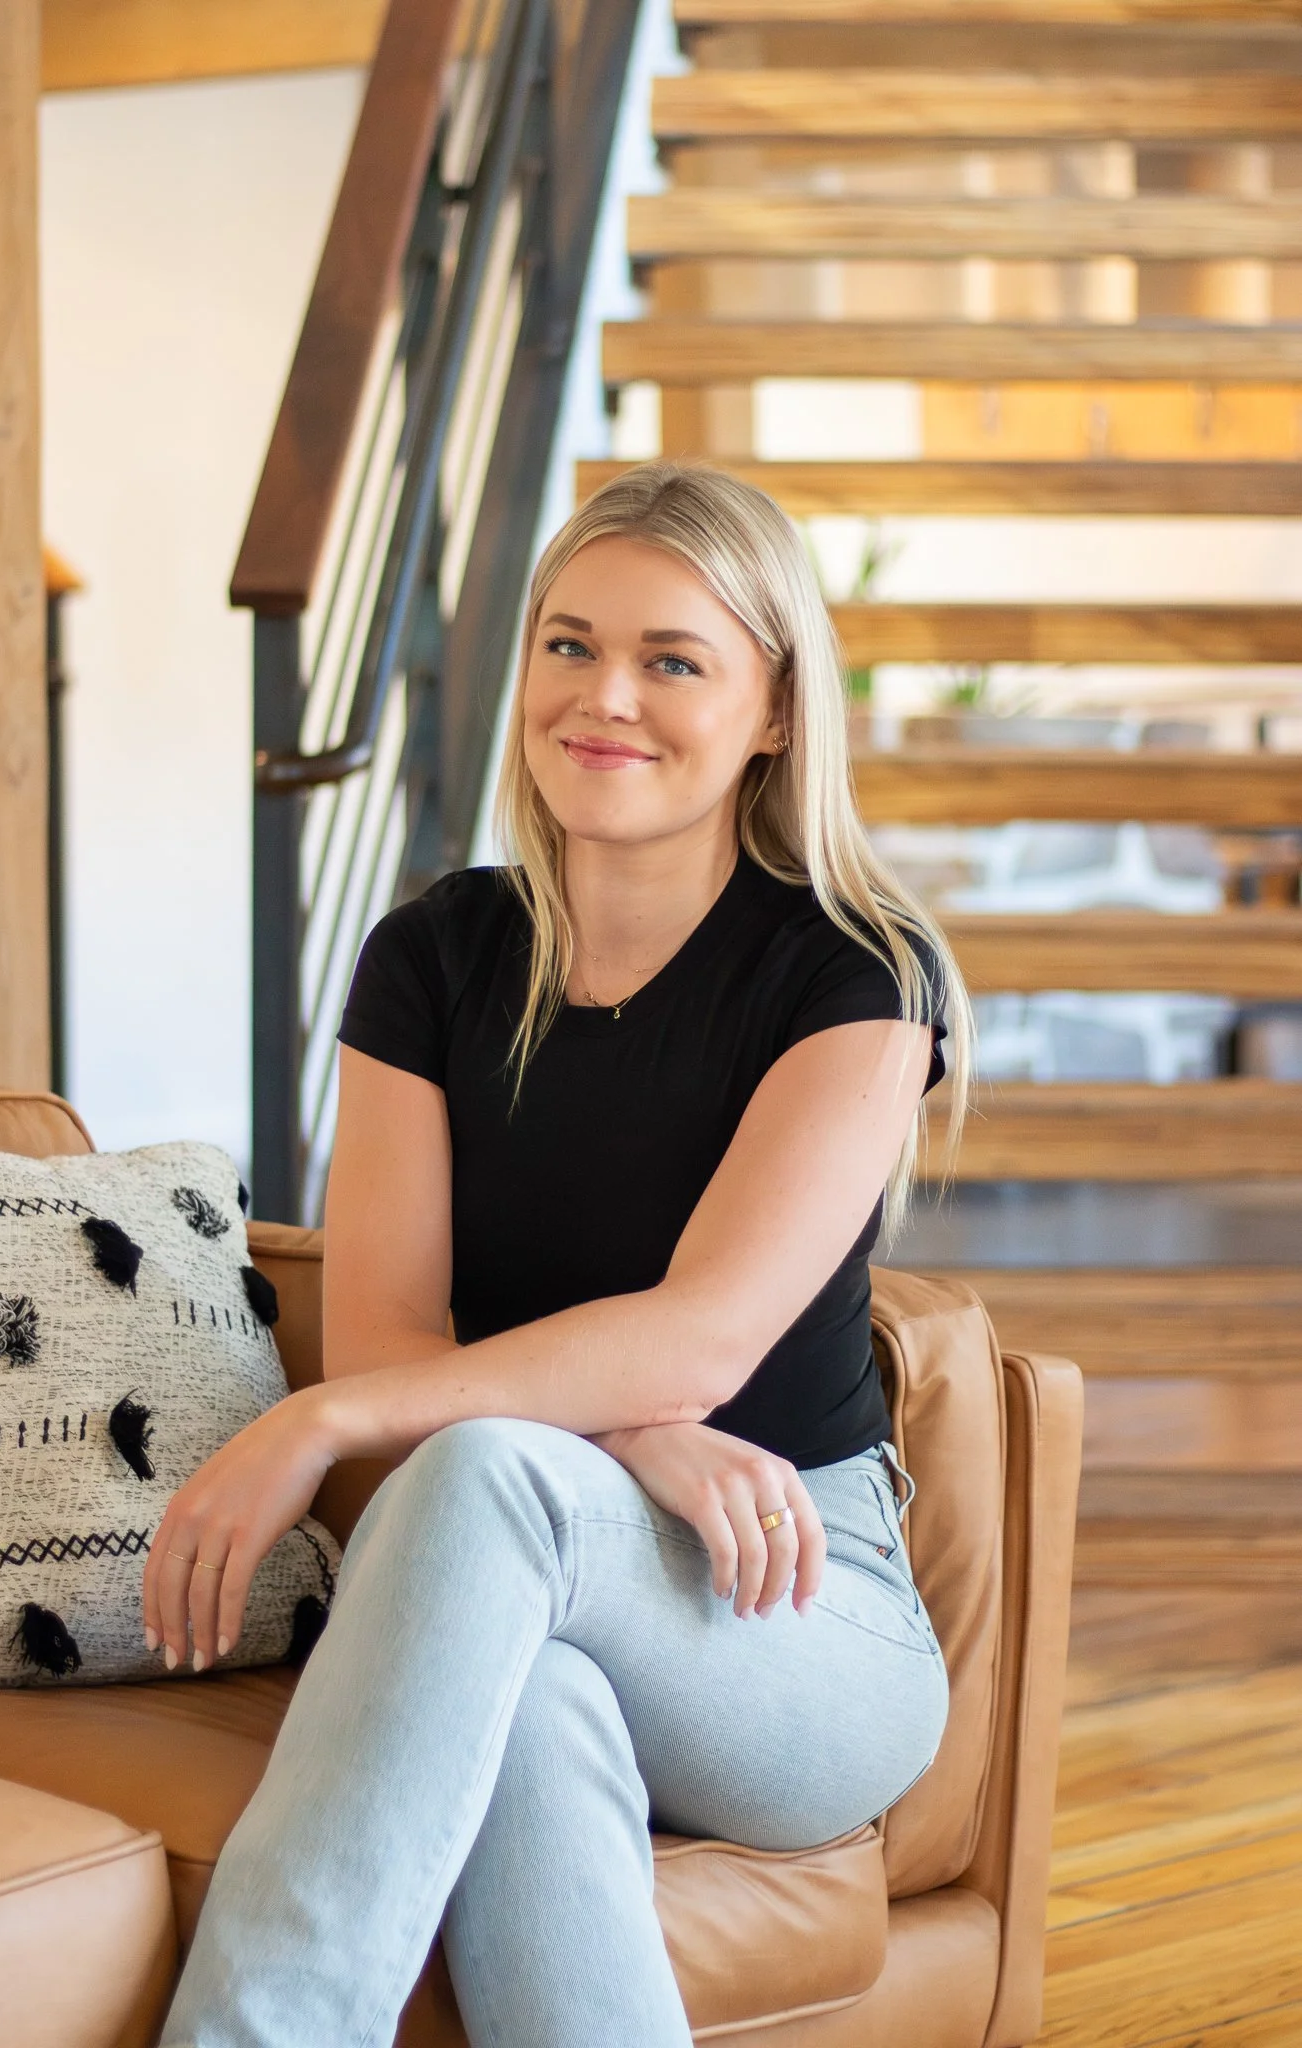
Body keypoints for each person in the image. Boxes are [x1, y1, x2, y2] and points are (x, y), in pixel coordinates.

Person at [150, 462, 973, 2048]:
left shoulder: (857, 971)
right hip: (525, 1565)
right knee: (504, 1684)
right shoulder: (437, 955)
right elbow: (392, 1343)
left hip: (794, 1605)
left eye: (674, 659)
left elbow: (705, 1337)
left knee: (476, 1480)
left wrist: (317, 1420)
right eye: (568, 644)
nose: (605, 696)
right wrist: (632, 1438)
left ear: (777, 710)